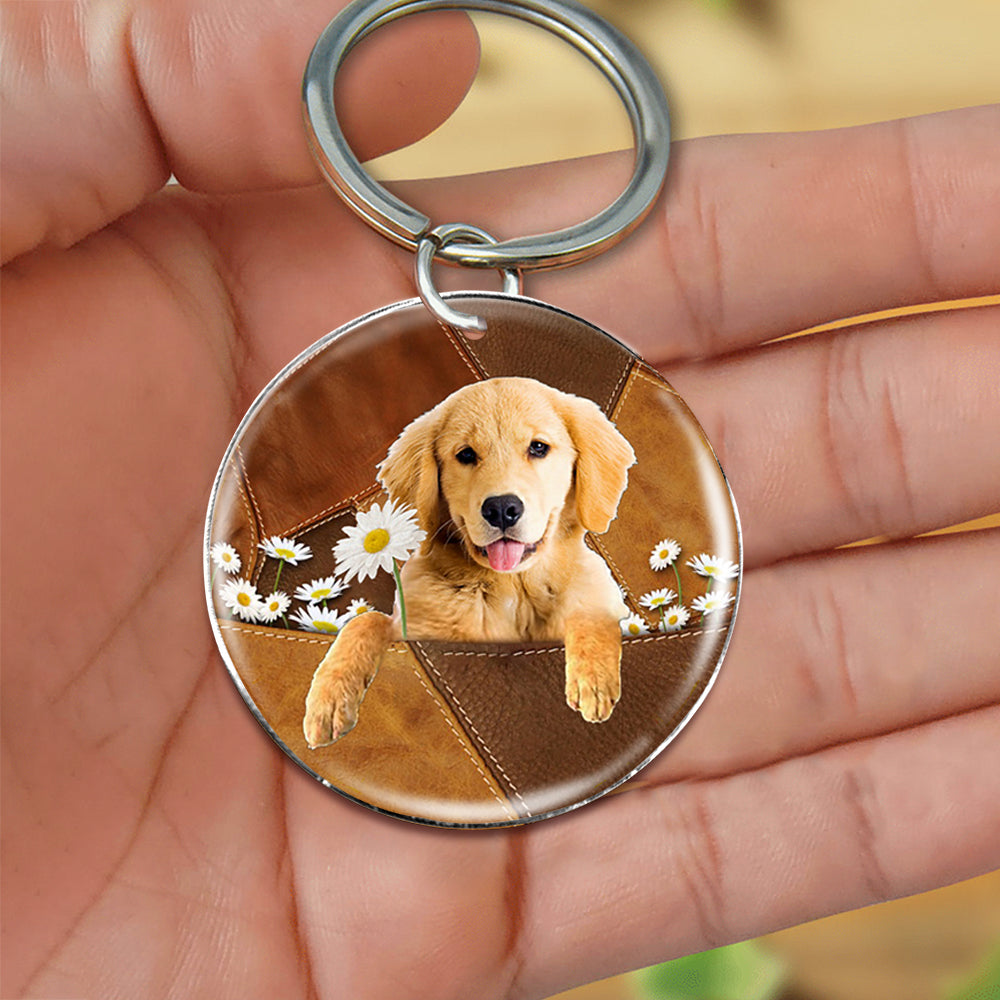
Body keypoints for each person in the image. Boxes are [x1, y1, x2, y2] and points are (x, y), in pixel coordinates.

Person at [2, 3, 998, 998]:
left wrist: (593, 641)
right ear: (428, 478)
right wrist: (357, 645)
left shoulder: (586, 572)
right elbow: (395, 624)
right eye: (469, 460)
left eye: (533, 454)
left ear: (584, 472)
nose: (504, 492)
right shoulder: (423, 558)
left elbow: (597, 607)